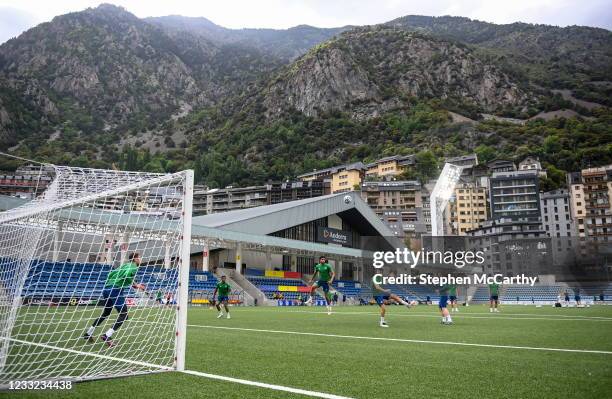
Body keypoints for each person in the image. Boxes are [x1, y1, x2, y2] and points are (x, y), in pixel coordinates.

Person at [83, 253, 146, 347]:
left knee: (106, 313)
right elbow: (127, 275)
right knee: (124, 315)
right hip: (115, 290)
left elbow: (111, 274)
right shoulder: (133, 267)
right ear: (135, 259)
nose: (141, 259)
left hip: (107, 289)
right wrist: (136, 285)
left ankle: (88, 333)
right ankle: (107, 336)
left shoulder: (124, 265)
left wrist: (134, 284)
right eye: (139, 257)